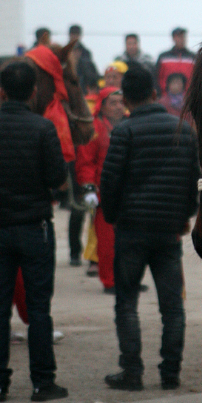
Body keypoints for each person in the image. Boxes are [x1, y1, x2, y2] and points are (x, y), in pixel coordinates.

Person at [0, 60, 70, 402]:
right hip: (35, 227)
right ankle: (42, 382)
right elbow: (57, 178)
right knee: (39, 309)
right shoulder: (43, 129)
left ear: (0, 91)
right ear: (34, 91)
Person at [100, 63, 199, 390]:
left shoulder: (123, 132)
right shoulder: (183, 130)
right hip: (168, 232)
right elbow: (192, 181)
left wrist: (113, 217)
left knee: (126, 303)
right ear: (155, 93)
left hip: (131, 231)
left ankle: (132, 372)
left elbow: (110, 182)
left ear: (126, 99)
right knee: (173, 307)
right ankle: (170, 373)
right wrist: (184, 215)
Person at [75, 86, 126, 291]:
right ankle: (110, 281)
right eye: (113, 103)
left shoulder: (129, 125)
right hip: (104, 195)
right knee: (107, 243)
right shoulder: (94, 130)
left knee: (129, 243)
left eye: (121, 102)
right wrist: (88, 189)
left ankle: (127, 279)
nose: (118, 107)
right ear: (102, 106)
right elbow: (86, 161)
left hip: (129, 194)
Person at [154, 28, 195, 95]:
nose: (182, 39)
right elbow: (157, 76)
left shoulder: (193, 57)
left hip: (188, 97)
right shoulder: (164, 57)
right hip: (166, 97)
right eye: (179, 37)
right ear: (173, 38)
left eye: (183, 36)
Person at [67, 24, 100, 94]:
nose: (74, 37)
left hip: (83, 88)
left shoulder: (86, 52)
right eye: (73, 34)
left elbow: (90, 73)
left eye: (76, 34)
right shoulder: (64, 52)